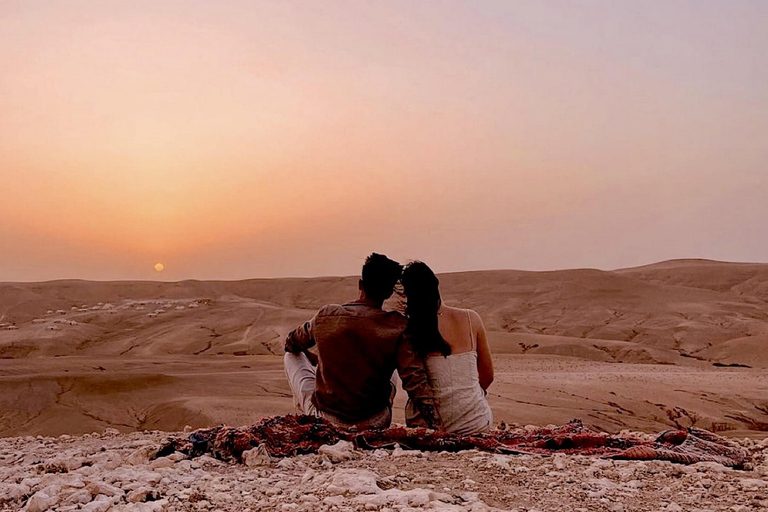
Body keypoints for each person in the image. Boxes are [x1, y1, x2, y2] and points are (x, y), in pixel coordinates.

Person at [283, 253, 441, 430]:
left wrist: (316, 357)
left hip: (328, 420)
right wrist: (436, 426)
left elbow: (291, 343)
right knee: (393, 369)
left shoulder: (327, 315)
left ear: (361, 284)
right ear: (389, 292)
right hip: (376, 421)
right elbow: (415, 380)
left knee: (290, 356)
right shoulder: (398, 325)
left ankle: (307, 415)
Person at [400, 261, 494, 434]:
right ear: (436, 284)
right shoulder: (471, 318)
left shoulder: (409, 328)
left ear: (407, 294)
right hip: (476, 423)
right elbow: (487, 377)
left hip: (428, 428)